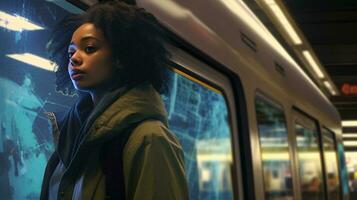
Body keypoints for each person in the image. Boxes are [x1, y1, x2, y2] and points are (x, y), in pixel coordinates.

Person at [40, 1, 188, 199]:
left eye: (90, 48)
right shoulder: (70, 136)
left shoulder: (150, 139)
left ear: (121, 57)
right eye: (71, 52)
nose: (74, 58)